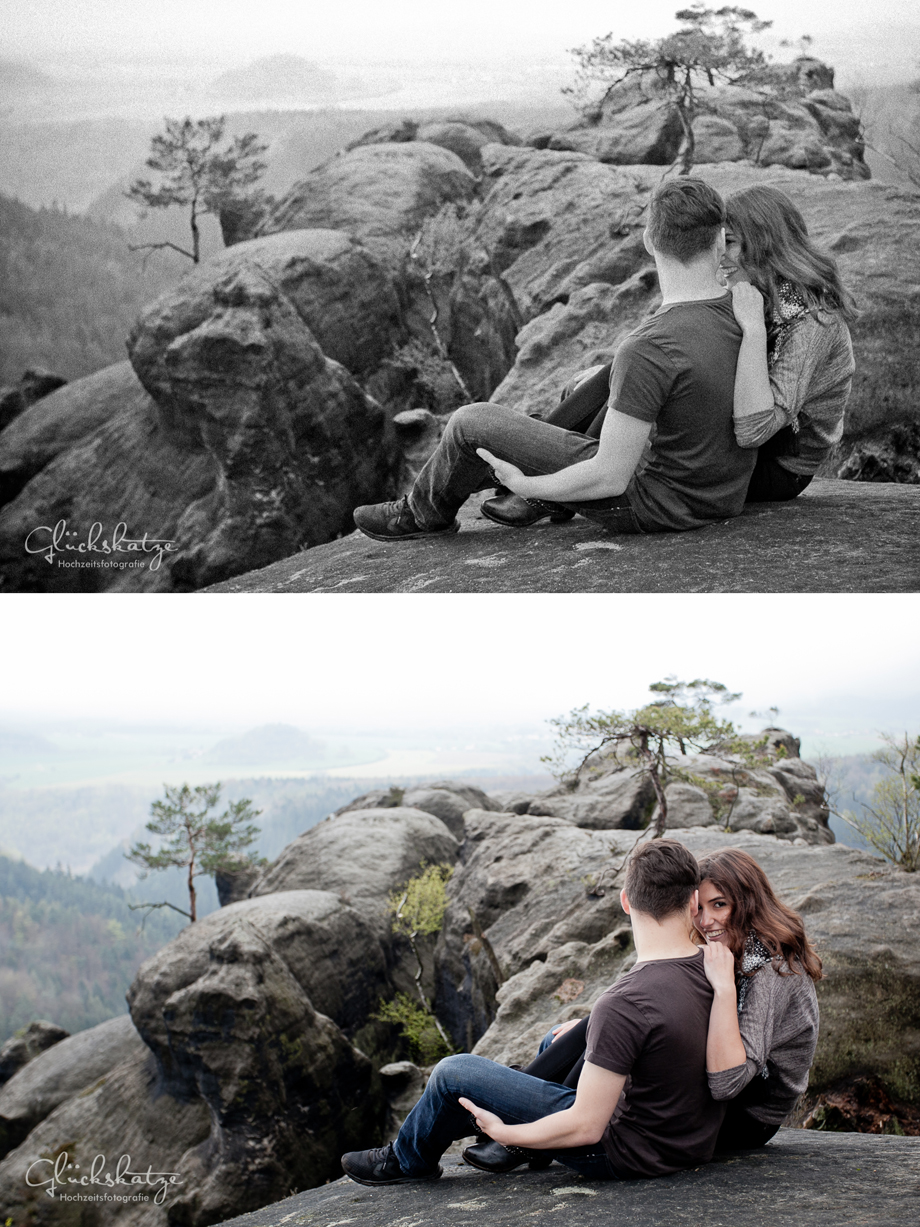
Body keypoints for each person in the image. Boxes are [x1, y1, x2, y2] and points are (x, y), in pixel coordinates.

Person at [352, 177, 756, 542]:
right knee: (584, 387)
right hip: (718, 495)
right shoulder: (742, 308)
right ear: (720, 241)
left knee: (469, 422)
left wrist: (530, 486)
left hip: (656, 504)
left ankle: (423, 513)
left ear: (649, 241)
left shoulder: (651, 346)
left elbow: (611, 476)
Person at [340, 840, 725, 1186]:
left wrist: (509, 1133)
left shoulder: (624, 1001)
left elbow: (588, 1126)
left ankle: (408, 1159)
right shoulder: (712, 966)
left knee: (452, 1072)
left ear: (625, 901)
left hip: (626, 1151)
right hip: (685, 1140)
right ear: (693, 902)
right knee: (556, 1037)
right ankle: (533, 1149)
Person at [465, 846, 821, 1174]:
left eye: (720, 905)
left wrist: (724, 986)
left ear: (748, 904)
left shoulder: (773, 970)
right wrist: (594, 1028)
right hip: (711, 1080)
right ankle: (525, 1129)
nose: (706, 920)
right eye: (701, 907)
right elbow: (655, 999)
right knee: (603, 1023)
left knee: (611, 1036)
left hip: (744, 1114)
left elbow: (729, 1081)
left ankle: (522, 1137)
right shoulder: (731, 947)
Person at [723, 185, 858, 503]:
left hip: (779, 467)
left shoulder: (812, 320)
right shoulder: (758, 291)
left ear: (762, 246)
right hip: (746, 443)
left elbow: (754, 429)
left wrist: (754, 328)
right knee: (633, 364)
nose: (719, 256)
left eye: (728, 243)